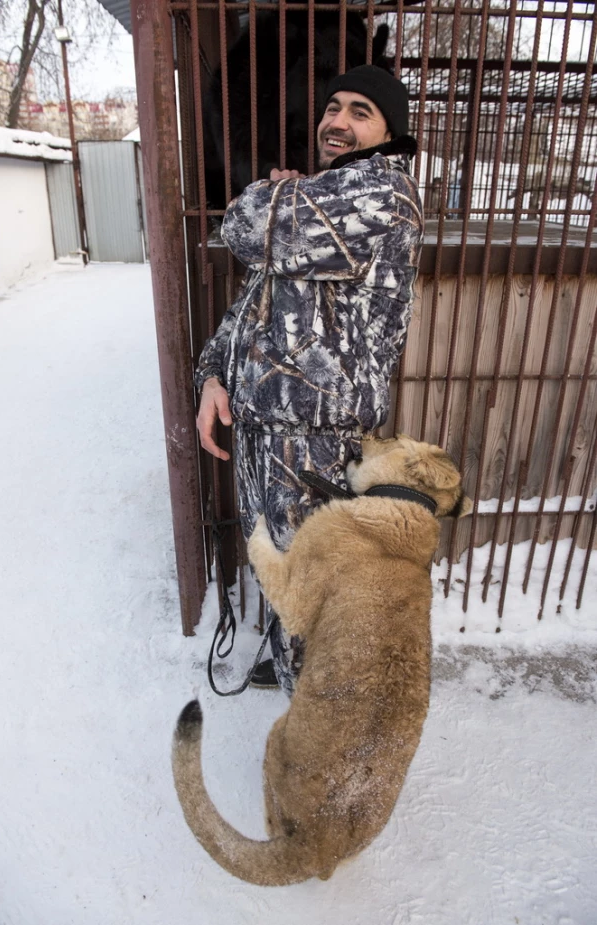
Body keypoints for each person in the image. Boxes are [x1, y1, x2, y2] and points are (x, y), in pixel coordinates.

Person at [195, 64, 424, 696]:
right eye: (333, 108)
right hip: (264, 428)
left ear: (389, 132)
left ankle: (326, 747)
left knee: (314, 593)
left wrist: (275, 198)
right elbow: (252, 303)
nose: (338, 121)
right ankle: (289, 670)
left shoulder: (383, 192)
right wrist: (214, 375)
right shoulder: (319, 196)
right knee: (280, 573)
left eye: (360, 112)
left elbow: (242, 227)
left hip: (313, 438)